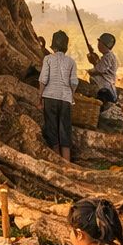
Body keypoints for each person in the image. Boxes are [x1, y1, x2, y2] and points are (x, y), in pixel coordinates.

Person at [39, 30, 78, 161]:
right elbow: (73, 82)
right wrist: (71, 95)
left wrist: (40, 96)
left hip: (50, 97)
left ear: (53, 46)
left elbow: (43, 79)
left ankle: (57, 161)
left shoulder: (48, 59)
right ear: (65, 47)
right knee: (65, 129)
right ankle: (67, 162)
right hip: (65, 99)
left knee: (51, 129)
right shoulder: (71, 62)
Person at [88, 33, 121, 122]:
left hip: (105, 89)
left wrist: (90, 71)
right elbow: (99, 64)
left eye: (100, 43)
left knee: (100, 107)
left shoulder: (108, 56)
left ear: (103, 45)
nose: (98, 45)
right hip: (104, 87)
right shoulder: (107, 56)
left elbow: (100, 69)